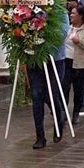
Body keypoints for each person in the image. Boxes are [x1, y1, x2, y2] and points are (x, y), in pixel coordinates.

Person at [27, 12, 69, 149]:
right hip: (34, 59)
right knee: (36, 95)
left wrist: (44, 27)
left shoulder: (60, 12)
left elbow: (61, 35)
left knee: (51, 94)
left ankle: (58, 122)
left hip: (54, 59)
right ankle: (40, 136)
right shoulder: (27, 11)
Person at [62, 4, 84, 124]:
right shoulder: (67, 28)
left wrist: (80, 41)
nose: (71, 15)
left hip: (80, 64)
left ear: (81, 16)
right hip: (66, 61)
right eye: (70, 13)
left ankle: (76, 113)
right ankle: (63, 112)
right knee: (64, 88)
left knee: (78, 90)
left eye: (73, 13)